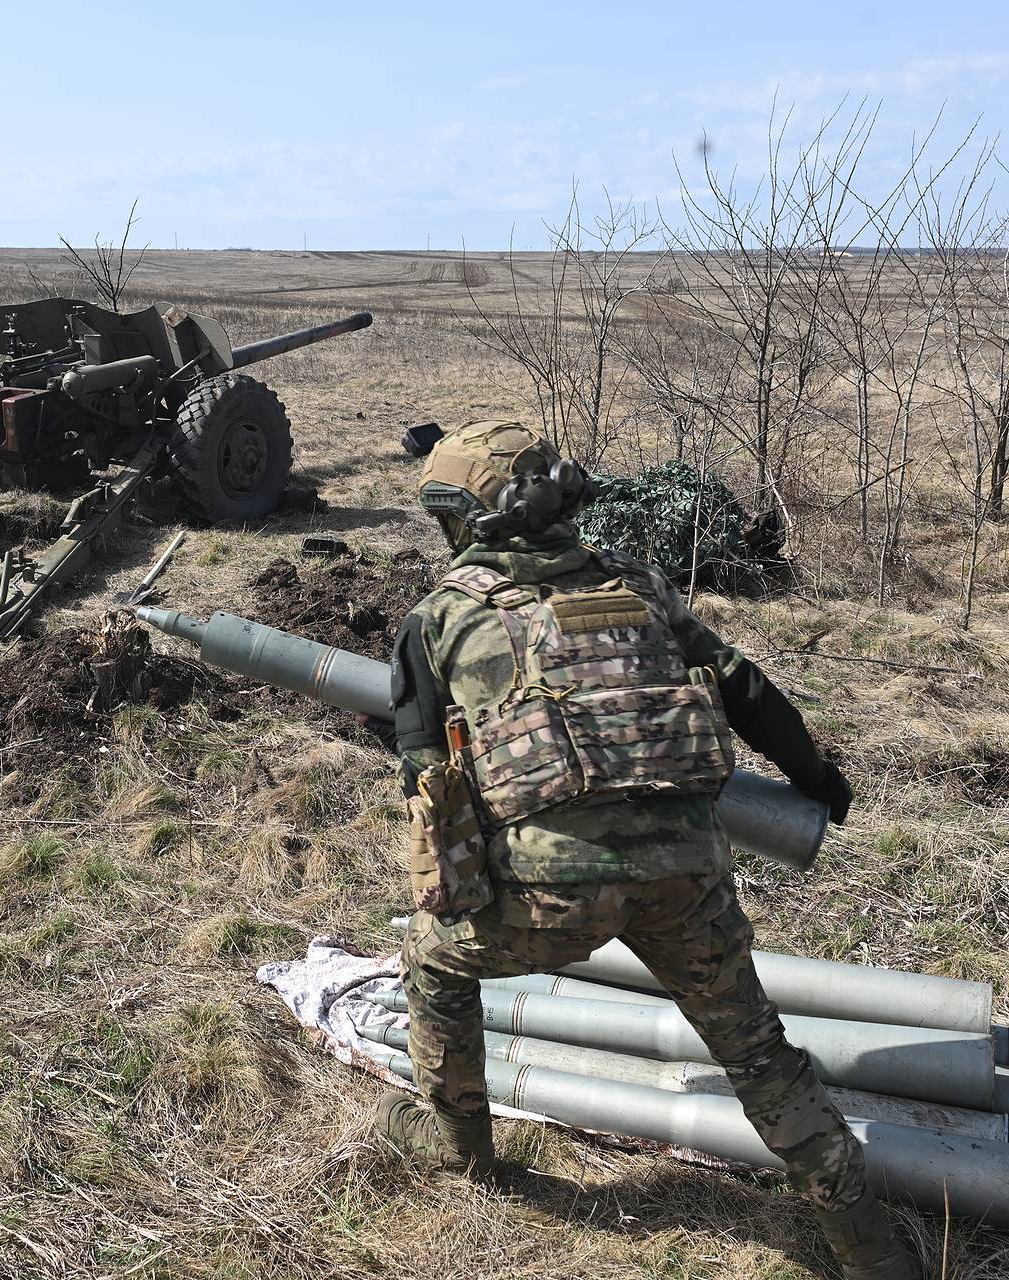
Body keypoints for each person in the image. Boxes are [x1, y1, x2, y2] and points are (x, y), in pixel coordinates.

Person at [375, 420, 917, 1280]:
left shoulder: (437, 617)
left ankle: (464, 1154)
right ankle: (873, 1253)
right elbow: (746, 689)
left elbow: (425, 778)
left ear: (467, 520)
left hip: (548, 897)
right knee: (761, 1058)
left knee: (433, 965)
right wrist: (816, 778)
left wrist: (458, 886)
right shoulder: (643, 586)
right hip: (687, 884)